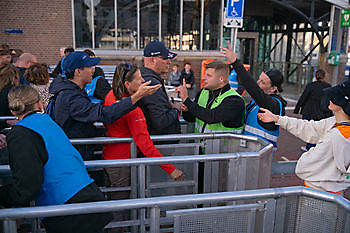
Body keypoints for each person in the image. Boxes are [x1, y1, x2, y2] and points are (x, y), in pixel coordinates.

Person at [0, 85, 112, 233]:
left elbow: (27, 187)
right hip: (88, 198)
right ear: (40, 104)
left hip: (67, 210)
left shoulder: (21, 133)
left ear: (12, 110)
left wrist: (3, 194)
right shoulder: (48, 122)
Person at [102, 63, 184, 228]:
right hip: (123, 162)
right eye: (139, 80)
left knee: (114, 202)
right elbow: (146, 145)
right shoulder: (133, 111)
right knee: (120, 207)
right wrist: (171, 169)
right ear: (127, 84)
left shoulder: (111, 95)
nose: (143, 82)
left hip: (109, 156)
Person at [48, 51, 161, 161]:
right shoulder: (71, 97)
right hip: (74, 158)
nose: (94, 69)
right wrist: (137, 96)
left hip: (79, 154)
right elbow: (104, 114)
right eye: (89, 66)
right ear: (78, 71)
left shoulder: (70, 92)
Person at [258, 80, 350, 195]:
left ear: (341, 103)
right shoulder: (336, 123)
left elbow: (306, 166)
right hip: (333, 191)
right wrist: (277, 118)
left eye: (333, 96)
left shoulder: (335, 135)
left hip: (318, 192)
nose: (329, 98)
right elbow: (310, 128)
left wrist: (308, 153)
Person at [221, 43, 287, 149]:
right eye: (259, 79)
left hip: (261, 152)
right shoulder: (256, 101)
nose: (258, 83)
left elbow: (253, 88)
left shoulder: (273, 104)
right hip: (249, 148)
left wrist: (235, 62)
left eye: (263, 82)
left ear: (273, 88)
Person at [177, 61, 245, 134]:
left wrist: (187, 100)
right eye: (204, 75)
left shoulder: (235, 100)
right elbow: (192, 118)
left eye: (208, 76)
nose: (203, 78)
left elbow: (211, 117)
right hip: (200, 144)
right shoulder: (203, 92)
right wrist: (187, 110)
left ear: (221, 79)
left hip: (223, 145)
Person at [138, 41, 181, 135]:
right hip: (158, 144)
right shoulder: (151, 83)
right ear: (153, 60)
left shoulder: (144, 77)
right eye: (165, 58)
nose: (169, 62)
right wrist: (176, 110)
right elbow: (161, 122)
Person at [294, 69, 333, 151]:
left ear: (315, 76)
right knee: (319, 130)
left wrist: (297, 109)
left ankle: (310, 146)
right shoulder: (328, 87)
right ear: (324, 76)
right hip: (322, 112)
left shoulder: (311, 85)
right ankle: (316, 146)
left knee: (308, 129)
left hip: (309, 111)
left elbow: (303, 97)